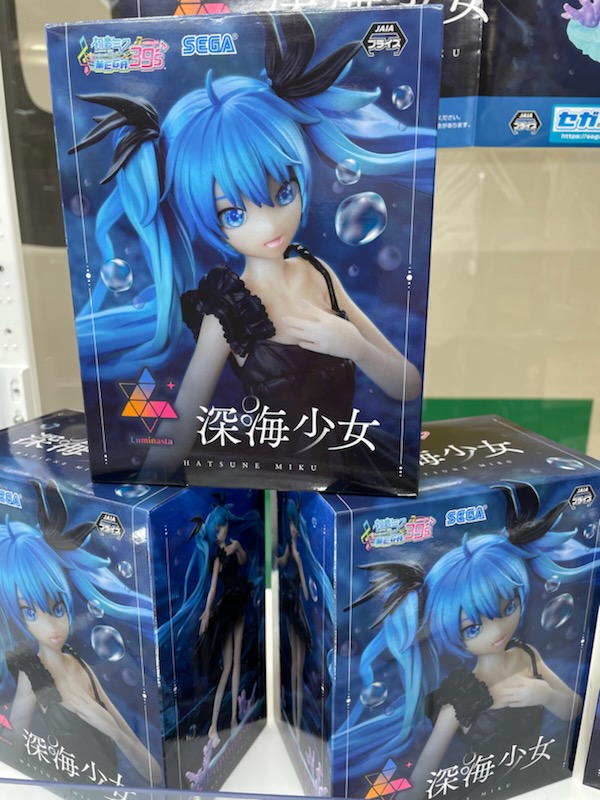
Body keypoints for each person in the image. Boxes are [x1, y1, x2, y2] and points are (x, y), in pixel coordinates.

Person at [70, 14, 434, 482]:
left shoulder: (317, 272)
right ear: (206, 218)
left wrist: (355, 347)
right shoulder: (228, 311)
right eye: (234, 214)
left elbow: (407, 385)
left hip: (350, 469)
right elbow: (182, 423)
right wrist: (139, 499)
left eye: (284, 192)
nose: (269, 224)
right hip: (277, 476)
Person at [333, 482, 598, 799]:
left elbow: (575, 709)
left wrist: (545, 695)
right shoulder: (461, 697)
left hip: (542, 777)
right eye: (473, 628)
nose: (497, 630)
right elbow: (421, 778)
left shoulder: (526, 655)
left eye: (508, 607)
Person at [0, 481, 162, 785]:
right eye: (30, 612)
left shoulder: (82, 665)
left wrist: (113, 730)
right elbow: (12, 749)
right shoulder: (33, 675)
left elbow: (154, 772)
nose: (51, 627)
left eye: (57, 607)